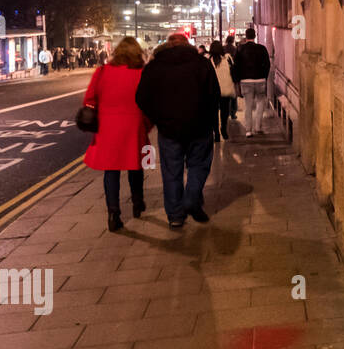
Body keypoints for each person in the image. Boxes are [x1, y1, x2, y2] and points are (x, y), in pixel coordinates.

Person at [135, 32, 220, 228]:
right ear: (187, 44)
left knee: (171, 171)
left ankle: (175, 215)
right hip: (199, 126)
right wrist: (207, 118)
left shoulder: (154, 67)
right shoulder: (201, 64)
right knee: (199, 165)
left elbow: (141, 98)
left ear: (168, 46)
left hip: (169, 129)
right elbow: (213, 94)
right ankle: (191, 199)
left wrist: (159, 118)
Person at [82, 37, 152, 232]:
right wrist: (147, 124)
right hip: (134, 125)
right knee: (136, 165)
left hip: (108, 127)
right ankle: (137, 202)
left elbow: (89, 99)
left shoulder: (103, 71)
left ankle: (113, 213)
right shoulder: (142, 73)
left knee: (111, 171)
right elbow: (149, 101)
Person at [232, 28, 271, 138]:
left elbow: (236, 66)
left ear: (246, 36)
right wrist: (264, 77)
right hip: (260, 80)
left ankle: (248, 130)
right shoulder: (262, 48)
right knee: (260, 103)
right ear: (255, 35)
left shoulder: (240, 49)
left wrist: (237, 81)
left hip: (245, 81)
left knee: (248, 106)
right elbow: (267, 64)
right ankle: (258, 127)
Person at [209, 40, 236, 141]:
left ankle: (216, 133)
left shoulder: (208, 60)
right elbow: (233, 71)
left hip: (212, 91)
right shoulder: (227, 58)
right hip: (225, 88)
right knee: (225, 111)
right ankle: (223, 129)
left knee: (213, 112)